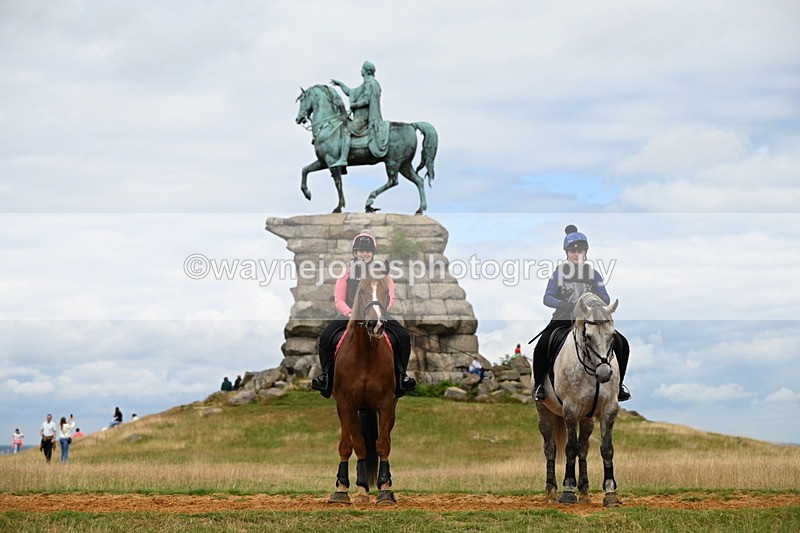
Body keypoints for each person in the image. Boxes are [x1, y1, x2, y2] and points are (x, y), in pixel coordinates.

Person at [311, 229, 416, 398]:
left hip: (377, 313)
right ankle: (326, 377)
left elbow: (390, 296)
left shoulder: (382, 272)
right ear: (355, 252)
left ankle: (401, 376)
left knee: (403, 336)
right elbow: (339, 299)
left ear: (372, 253)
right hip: (350, 314)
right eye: (361, 251)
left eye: (367, 251)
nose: (364, 254)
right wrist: (352, 313)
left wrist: (379, 313)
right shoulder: (346, 272)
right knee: (325, 337)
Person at [532, 225, 631, 402]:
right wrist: (566, 305)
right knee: (543, 344)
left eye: (580, 251)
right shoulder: (559, 274)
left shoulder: (594, 275)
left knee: (622, 343)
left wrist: (593, 304)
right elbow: (547, 298)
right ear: (567, 253)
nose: (576, 254)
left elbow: (605, 298)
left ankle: (619, 385)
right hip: (564, 318)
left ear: (586, 253)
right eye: (572, 251)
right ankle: (540, 385)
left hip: (591, 321)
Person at [330, 61, 389, 167]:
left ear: (366, 70)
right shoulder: (365, 84)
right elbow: (351, 92)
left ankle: (343, 159)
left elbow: (366, 100)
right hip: (360, 117)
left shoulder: (370, 83)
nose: (360, 70)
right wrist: (340, 84)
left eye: (362, 68)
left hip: (364, 118)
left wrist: (354, 105)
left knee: (346, 130)